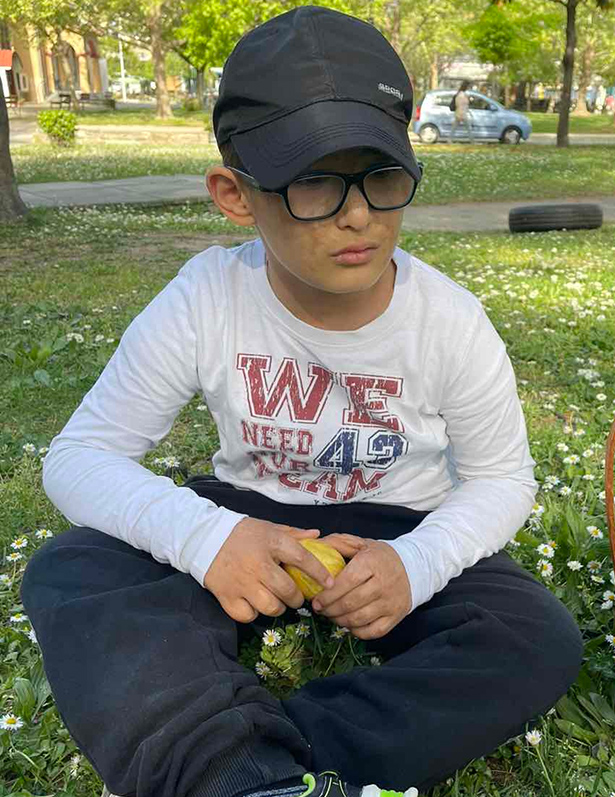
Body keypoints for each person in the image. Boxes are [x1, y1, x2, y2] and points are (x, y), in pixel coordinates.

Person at [21, 7, 584, 797]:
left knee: (533, 635)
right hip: (248, 515)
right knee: (75, 567)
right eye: (314, 180)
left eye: (382, 175)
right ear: (234, 194)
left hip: (400, 524)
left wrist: (417, 563)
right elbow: (81, 457)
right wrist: (209, 537)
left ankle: (251, 769)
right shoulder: (207, 297)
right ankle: (236, 769)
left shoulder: (450, 319)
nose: (358, 213)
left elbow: (501, 479)